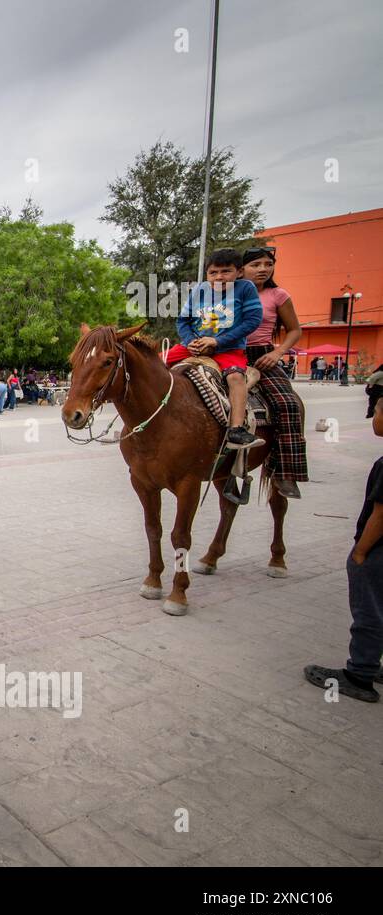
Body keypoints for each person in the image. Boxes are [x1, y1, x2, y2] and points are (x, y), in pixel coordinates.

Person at [304, 400, 383, 703]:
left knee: (368, 609)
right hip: (193, 355)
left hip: (375, 551)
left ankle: (360, 674)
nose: (371, 416)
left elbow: (380, 513)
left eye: (375, 412)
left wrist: (361, 551)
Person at [165, 248, 263, 450]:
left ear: (239, 272)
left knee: (236, 378)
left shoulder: (245, 288)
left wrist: (218, 341)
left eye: (226, 271)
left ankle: (236, 428)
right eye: (213, 272)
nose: (219, 277)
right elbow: (183, 321)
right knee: (155, 362)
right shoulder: (199, 290)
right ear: (207, 274)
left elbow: (252, 320)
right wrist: (190, 340)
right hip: (193, 345)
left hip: (228, 348)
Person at [241, 247, 308, 498]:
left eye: (268, 264)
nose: (263, 269)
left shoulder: (278, 295)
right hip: (227, 351)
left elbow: (294, 330)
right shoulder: (229, 292)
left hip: (262, 357)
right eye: (255, 264)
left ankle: (285, 472)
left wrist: (277, 353)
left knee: (288, 404)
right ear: (242, 269)